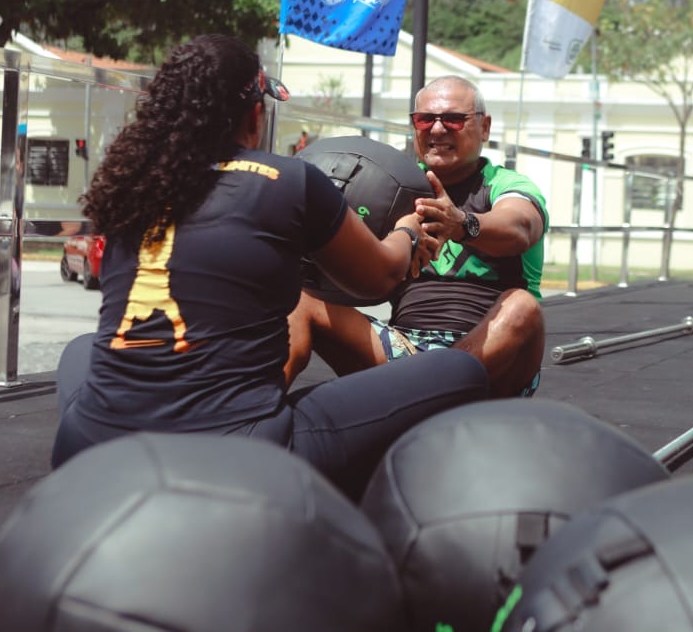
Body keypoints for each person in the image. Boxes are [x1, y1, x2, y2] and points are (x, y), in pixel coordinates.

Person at [51, 36, 488, 499]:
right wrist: (406, 231)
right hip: (238, 453)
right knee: (462, 371)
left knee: (83, 348)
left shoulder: (130, 183)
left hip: (87, 447)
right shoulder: (290, 179)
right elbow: (377, 277)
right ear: (254, 114)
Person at [287, 75, 548, 398]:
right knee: (299, 300)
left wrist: (463, 224)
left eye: (453, 120)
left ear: (485, 127)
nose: (437, 130)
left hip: (490, 360)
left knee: (523, 307)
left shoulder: (505, 185)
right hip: (404, 352)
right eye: (425, 119)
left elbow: (520, 226)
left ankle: (430, 394)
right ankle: (250, 417)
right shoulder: (394, 188)